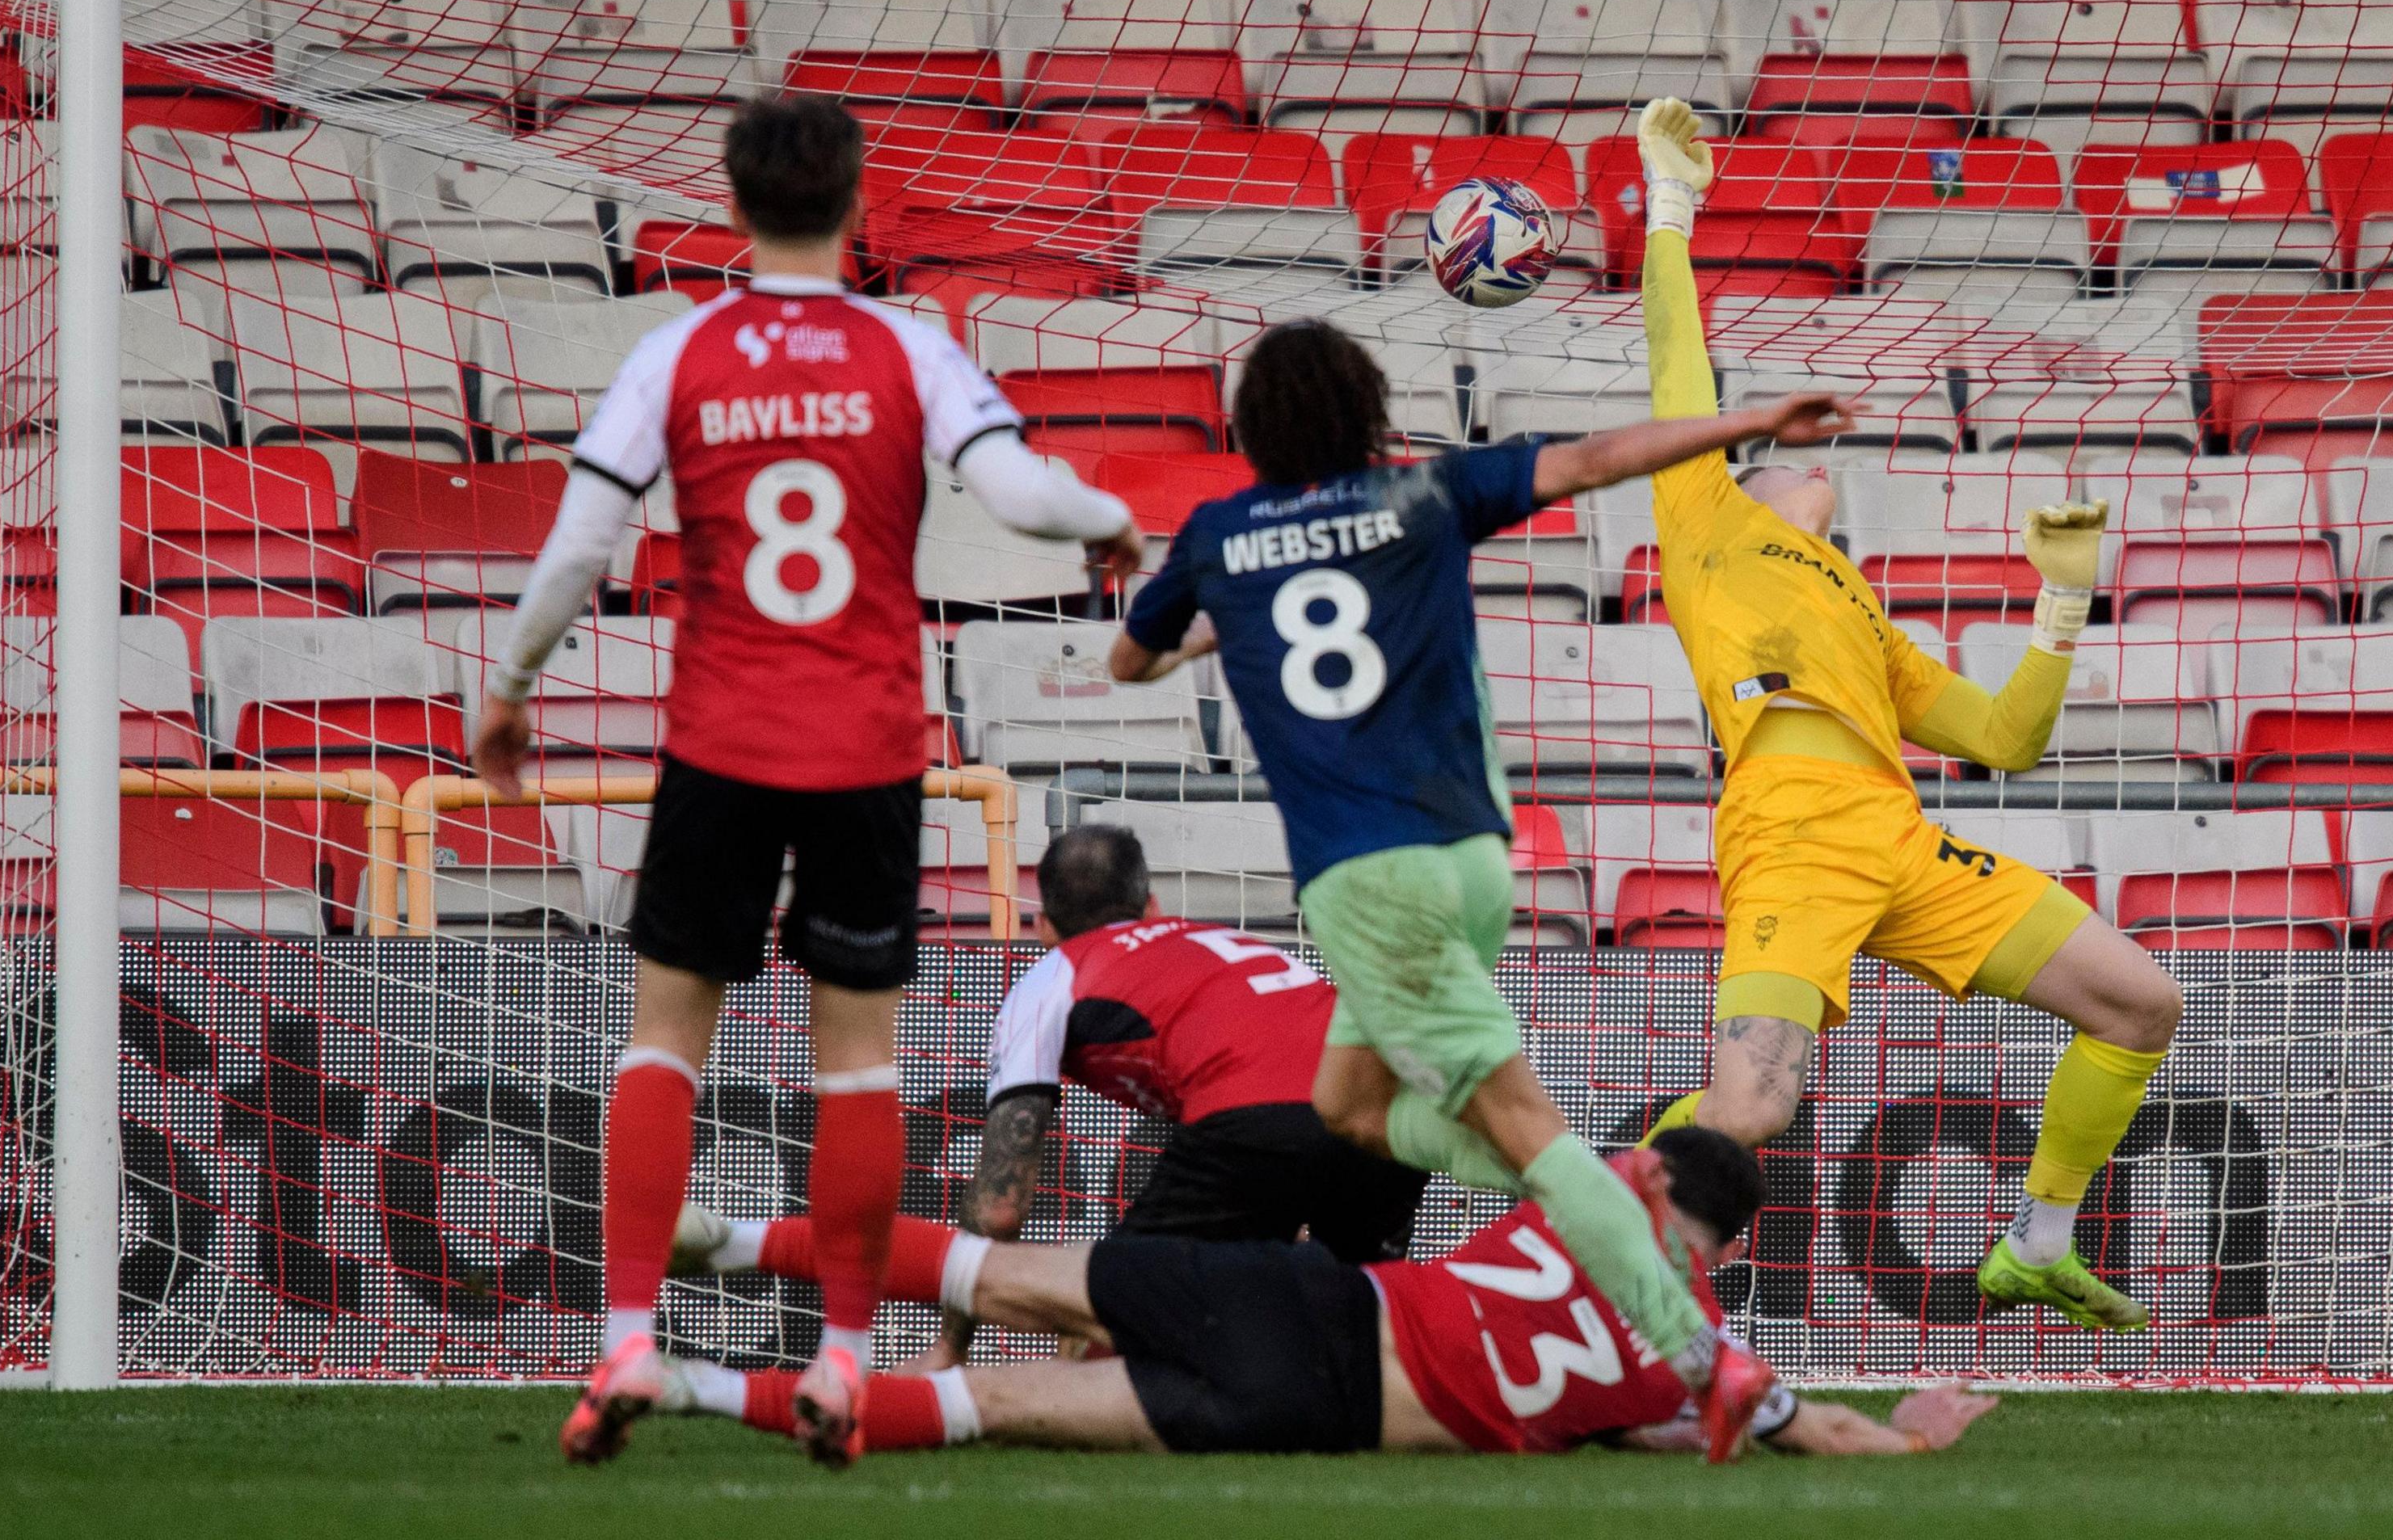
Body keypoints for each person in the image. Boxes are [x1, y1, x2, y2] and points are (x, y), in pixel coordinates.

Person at [474, 94, 1144, 1468]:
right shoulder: (909, 346)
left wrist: (509, 688)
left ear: (731, 200)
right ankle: (842, 1357)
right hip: (867, 751)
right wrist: (1115, 518)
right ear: (856, 202)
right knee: (858, 1066)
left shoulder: (679, 352)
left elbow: (582, 541)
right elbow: (1021, 497)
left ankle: (625, 1335)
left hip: (719, 744)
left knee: (664, 1041)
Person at [1105, 315, 1857, 1459]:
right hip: (1471, 860)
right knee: (1349, 1107)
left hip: (1366, 879)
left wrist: (1184, 602)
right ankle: (1578, 1180)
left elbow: (1132, 657)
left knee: (1528, 1130)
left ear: (1250, 432)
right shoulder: (1423, 495)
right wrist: (1753, 418)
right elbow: (1597, 457)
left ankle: (1698, 1347)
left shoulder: (1215, 534)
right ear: (1368, 415)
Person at [1620, 99, 2181, 1332]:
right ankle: (1573, 1249)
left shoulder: (1861, 612)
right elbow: (1677, 365)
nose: (1824, 464)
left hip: (1901, 837)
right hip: (1796, 824)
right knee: (1755, 1108)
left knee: (2141, 1000)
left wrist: (2064, 605)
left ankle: (2036, 1242)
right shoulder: (1711, 521)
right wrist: (1671, 205)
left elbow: (2008, 741)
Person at [626, 1128, 1999, 1459]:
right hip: (1317, 1406)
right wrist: (1906, 1429)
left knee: (1000, 1275)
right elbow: (1792, 1427)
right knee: (989, 1399)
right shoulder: (1687, 1363)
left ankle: (734, 1238)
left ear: (1644, 1180)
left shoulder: (1583, 1197)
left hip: (1314, 1293)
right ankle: (680, 1386)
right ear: (1730, 1252)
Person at [668, 821, 1429, 1366]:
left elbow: (1001, 1204)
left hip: (1259, 1121)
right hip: (1388, 1112)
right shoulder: (1228, 943)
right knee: (1366, 1315)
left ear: (1042, 924)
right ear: (1154, 904)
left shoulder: (1053, 974)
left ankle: (745, 1243)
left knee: (1101, 1316)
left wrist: (950, 1344)